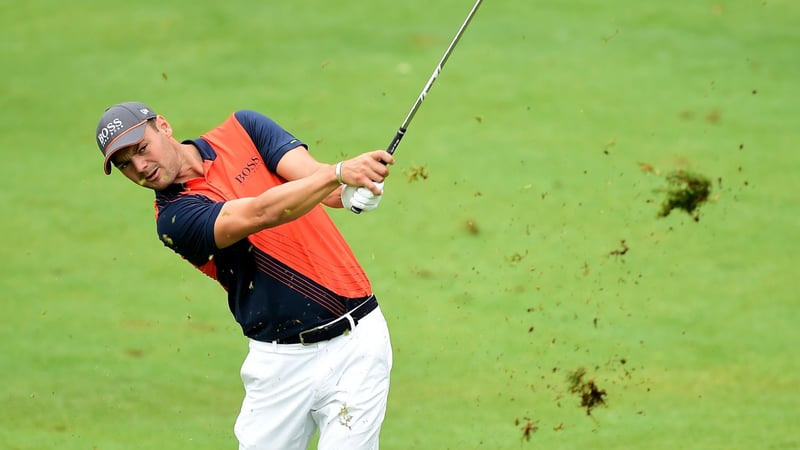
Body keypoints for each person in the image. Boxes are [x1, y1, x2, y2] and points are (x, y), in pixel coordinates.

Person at [95, 101, 395, 449]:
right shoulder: (175, 219)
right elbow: (260, 213)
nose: (140, 167)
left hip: (358, 344)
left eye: (142, 149)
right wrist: (339, 174)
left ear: (163, 126)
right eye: (125, 165)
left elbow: (321, 183)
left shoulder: (244, 129)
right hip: (279, 365)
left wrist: (351, 190)